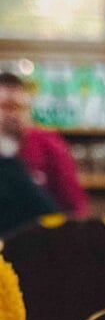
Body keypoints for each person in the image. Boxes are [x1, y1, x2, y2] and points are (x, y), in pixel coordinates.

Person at [0, 71, 89, 218]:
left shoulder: (49, 144)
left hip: (41, 235)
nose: (12, 115)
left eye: (19, 107)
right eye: (5, 107)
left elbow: (74, 205)